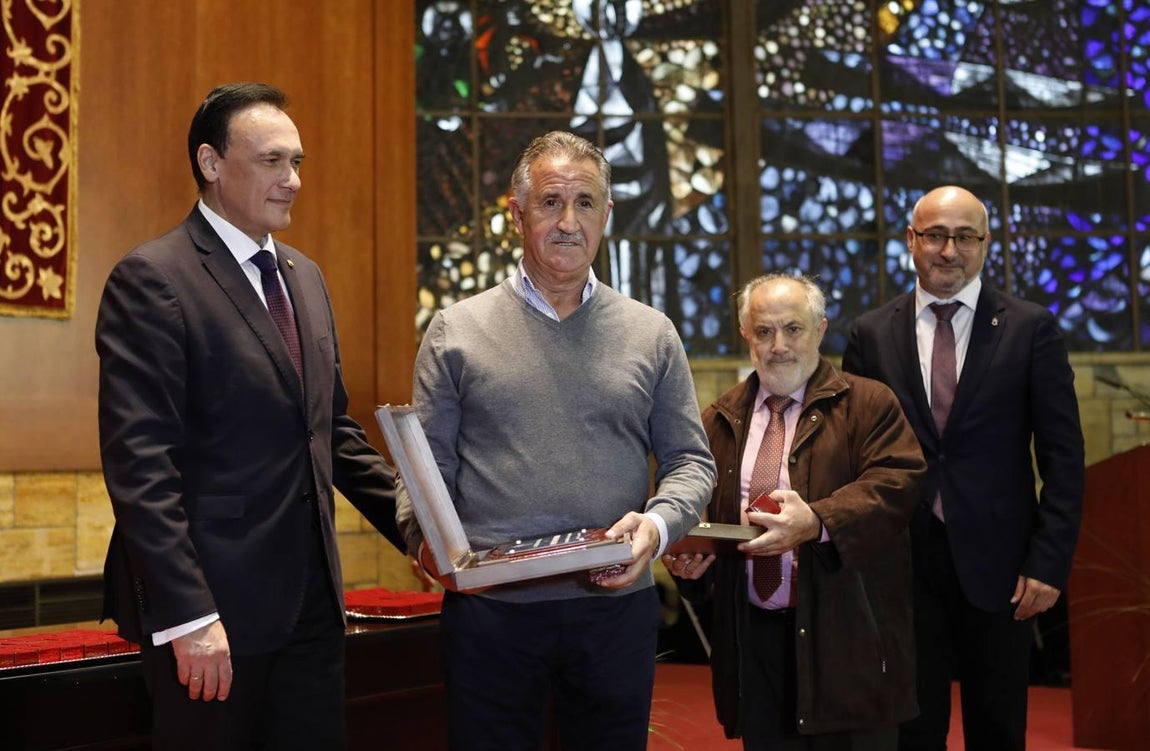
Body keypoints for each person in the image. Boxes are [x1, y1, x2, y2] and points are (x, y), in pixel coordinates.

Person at [96, 82, 404, 750]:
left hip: (313, 609)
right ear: (210, 163)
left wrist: (415, 524)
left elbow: (330, 432)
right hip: (214, 616)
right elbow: (140, 466)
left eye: (297, 162)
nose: (292, 180)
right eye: (272, 161)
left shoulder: (308, 278)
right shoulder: (153, 278)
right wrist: (189, 615)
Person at [396, 130, 716, 750]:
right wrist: (421, 537)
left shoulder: (652, 333)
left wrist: (655, 531)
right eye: (550, 203)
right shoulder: (453, 331)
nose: (569, 222)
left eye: (586, 203)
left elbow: (689, 463)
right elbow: (423, 466)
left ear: (607, 214)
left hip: (614, 612)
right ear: (516, 213)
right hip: (493, 617)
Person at [841, 185, 1085, 750]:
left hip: (1004, 572)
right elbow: (852, 457)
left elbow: (1064, 458)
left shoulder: (1030, 329)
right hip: (900, 570)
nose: (948, 250)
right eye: (934, 235)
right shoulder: (872, 334)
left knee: (998, 728)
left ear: (985, 244)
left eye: (965, 237)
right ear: (911, 241)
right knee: (910, 732)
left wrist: (1049, 564)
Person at [665, 273, 927, 750]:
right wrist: (692, 564)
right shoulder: (719, 420)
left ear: (821, 330)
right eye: (764, 331)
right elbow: (704, 518)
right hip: (754, 640)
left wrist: (818, 521)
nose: (778, 345)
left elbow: (896, 484)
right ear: (745, 335)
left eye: (793, 329)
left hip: (848, 638)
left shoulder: (869, 404)